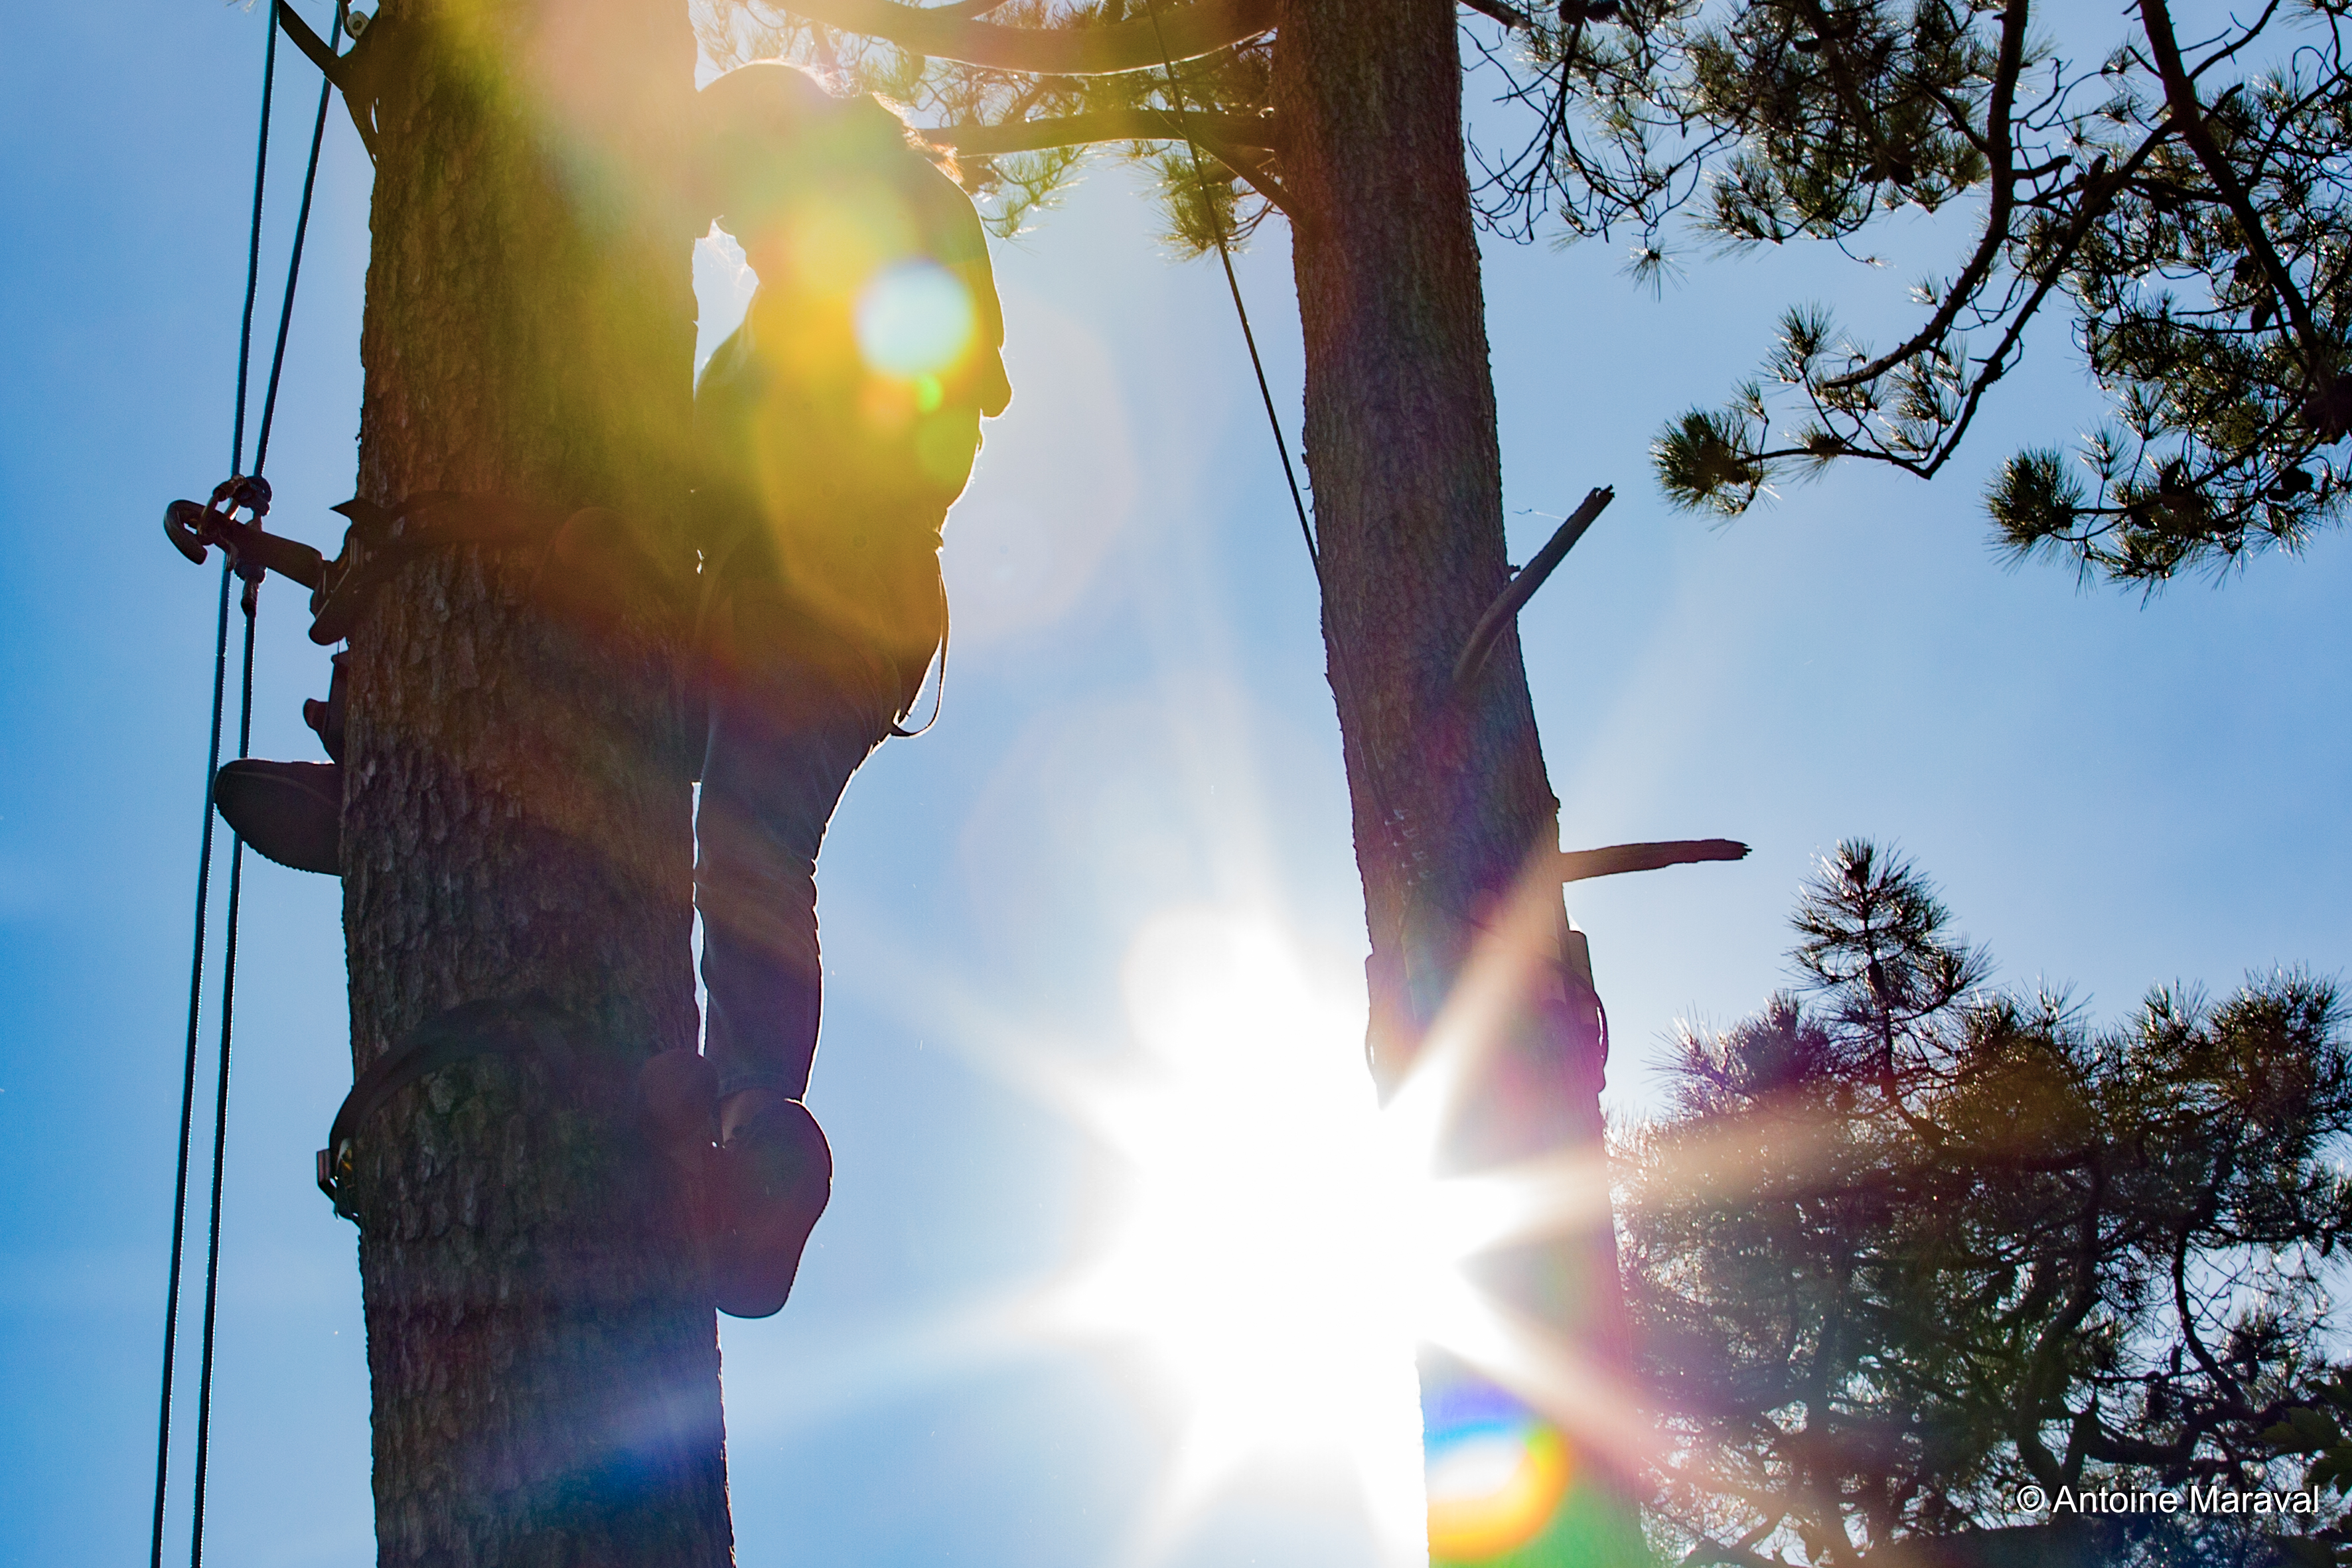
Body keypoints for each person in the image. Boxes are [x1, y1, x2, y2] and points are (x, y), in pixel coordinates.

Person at [652, 61, 1013, 1318]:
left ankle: (757, 1118)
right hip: (764, 603)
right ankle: (414, 740)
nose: (738, 236)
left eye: (735, 200)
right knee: (701, 797)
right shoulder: (792, 285)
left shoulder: (893, 217)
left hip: (833, 599)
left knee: (752, 832)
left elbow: (943, 394)